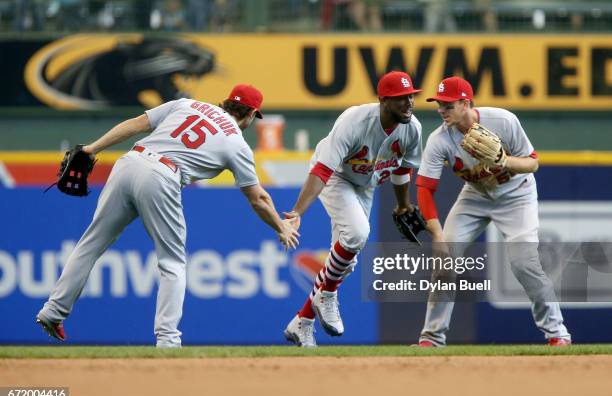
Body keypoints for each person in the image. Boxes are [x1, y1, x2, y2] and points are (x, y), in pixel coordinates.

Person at [36, 84, 300, 348]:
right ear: (252, 113)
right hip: (162, 176)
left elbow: (136, 124)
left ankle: (53, 311)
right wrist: (281, 226)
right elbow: (258, 198)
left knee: (89, 244)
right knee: (172, 263)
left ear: (228, 102)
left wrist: (92, 149)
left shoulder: (186, 104)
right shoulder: (236, 143)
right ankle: (168, 340)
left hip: (129, 163)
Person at [415, 76, 571, 347]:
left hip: (516, 195)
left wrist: (504, 160)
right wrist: (437, 234)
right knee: (445, 258)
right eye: (439, 103)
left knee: (524, 263)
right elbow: (425, 188)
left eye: (448, 104)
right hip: (475, 196)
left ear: (465, 103)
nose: (441, 109)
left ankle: (557, 333)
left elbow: (533, 164)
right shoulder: (439, 139)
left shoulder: (503, 121)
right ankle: (431, 338)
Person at [283, 71, 423, 347]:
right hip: (337, 176)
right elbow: (322, 170)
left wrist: (403, 203)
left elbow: (404, 168)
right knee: (357, 235)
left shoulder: (412, 128)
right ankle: (327, 295)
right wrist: (297, 211)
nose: (408, 103)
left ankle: (303, 321)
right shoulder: (354, 121)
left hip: (366, 185)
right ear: (383, 100)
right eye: (400, 98)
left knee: (346, 261)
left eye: (410, 96)